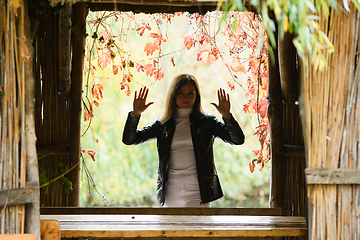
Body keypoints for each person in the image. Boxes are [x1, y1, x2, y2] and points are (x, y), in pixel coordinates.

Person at [122, 73, 245, 207]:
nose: (186, 97)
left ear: (196, 96)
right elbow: (130, 139)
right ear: (173, 95)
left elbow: (237, 139)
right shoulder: (163, 125)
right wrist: (135, 114)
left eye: (190, 93)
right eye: (180, 93)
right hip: (171, 190)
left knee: (198, 228)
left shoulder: (207, 123)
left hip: (199, 190)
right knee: (171, 228)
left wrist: (227, 116)